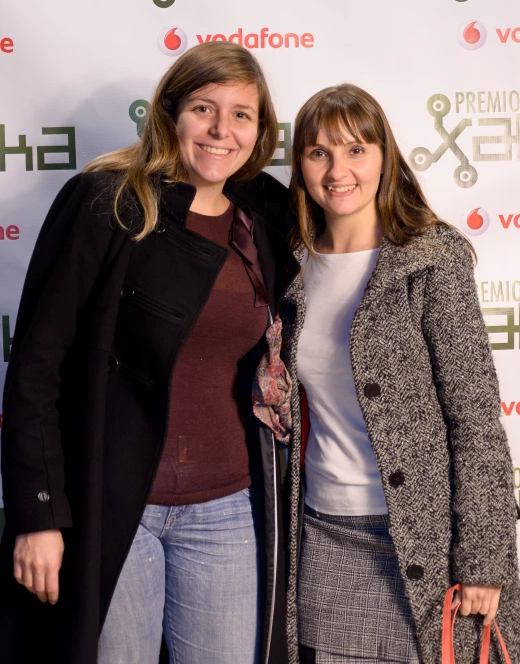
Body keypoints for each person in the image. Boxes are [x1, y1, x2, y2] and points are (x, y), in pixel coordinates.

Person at [0, 41, 300, 664]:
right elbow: (35, 368)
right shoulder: (106, 203)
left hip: (227, 508)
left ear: (262, 129)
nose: (222, 130)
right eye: (203, 108)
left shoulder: (266, 215)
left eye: (242, 114)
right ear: (169, 114)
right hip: (114, 508)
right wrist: (37, 514)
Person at [280, 84, 520, 664]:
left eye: (356, 150)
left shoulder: (431, 257)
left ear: (385, 157)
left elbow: (475, 416)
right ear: (300, 165)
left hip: (423, 540)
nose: (338, 170)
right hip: (322, 536)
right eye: (319, 153)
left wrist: (485, 559)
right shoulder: (288, 264)